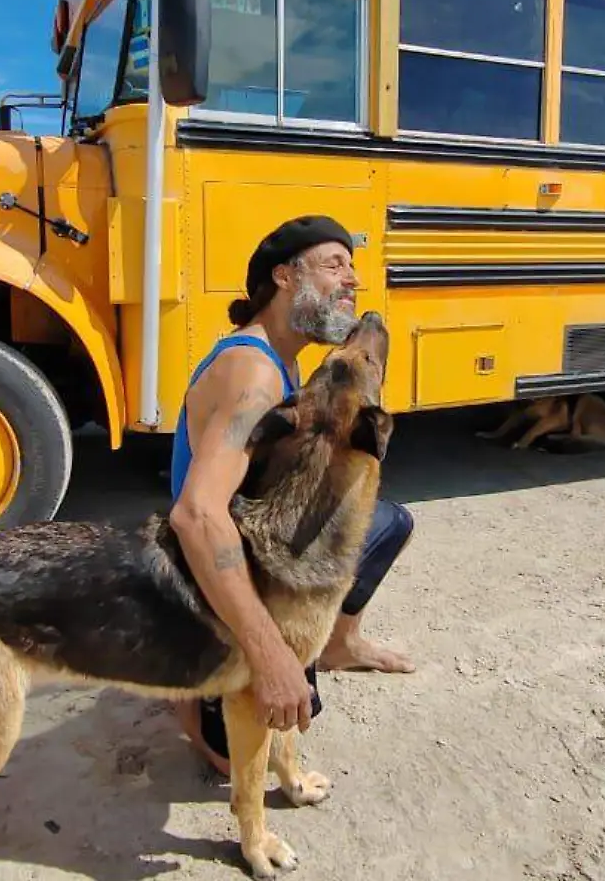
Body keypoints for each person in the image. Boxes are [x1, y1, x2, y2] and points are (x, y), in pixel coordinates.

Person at [167, 214, 417, 776]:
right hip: (203, 572)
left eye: (353, 268)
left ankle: (339, 643)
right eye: (335, 265)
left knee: (387, 522)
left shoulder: (283, 354)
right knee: (239, 760)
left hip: (257, 544)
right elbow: (197, 514)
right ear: (284, 277)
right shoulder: (253, 376)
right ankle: (185, 695)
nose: (352, 281)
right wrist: (269, 651)